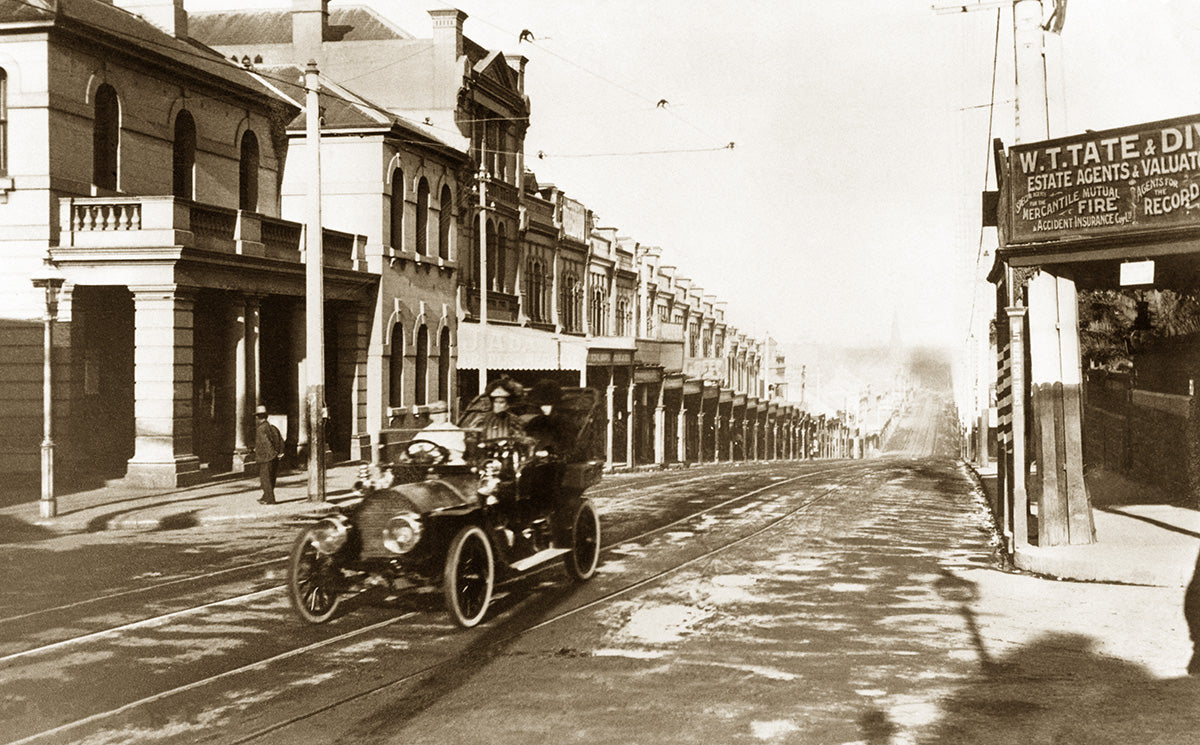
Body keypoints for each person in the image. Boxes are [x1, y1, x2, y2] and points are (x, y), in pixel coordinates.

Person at [255, 405, 285, 504]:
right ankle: (265, 497)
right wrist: (279, 453)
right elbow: (281, 441)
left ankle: (270, 499)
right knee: (271, 478)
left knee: (265, 479)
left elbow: (266, 443)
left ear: (258, 417)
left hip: (266, 458)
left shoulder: (261, 429)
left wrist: (271, 454)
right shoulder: (273, 428)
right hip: (274, 457)